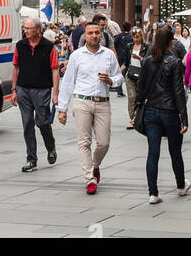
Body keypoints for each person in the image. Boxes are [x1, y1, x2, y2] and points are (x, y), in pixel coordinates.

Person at [57, 17, 123, 194]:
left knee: (103, 143)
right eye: (90, 33)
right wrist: (62, 109)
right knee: (84, 142)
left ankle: (95, 165)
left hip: (102, 102)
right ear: (84, 36)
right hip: (82, 101)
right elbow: (68, 82)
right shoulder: (77, 56)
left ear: (101, 35)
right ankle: (89, 179)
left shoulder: (108, 55)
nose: (94, 36)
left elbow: (119, 77)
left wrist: (110, 80)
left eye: (97, 33)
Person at [135, 25, 190, 204]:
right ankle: (181, 186)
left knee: (153, 152)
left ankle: (153, 193)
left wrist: (136, 109)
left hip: (150, 111)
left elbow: (140, 88)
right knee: (175, 151)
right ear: (170, 42)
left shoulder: (146, 61)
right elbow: (178, 92)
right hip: (170, 112)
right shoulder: (174, 62)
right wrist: (184, 116)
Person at [11, 16, 59, 172]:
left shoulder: (49, 47)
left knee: (43, 122)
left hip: (42, 90)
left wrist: (55, 93)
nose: (25, 31)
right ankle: (31, 159)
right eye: (24, 28)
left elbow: (55, 70)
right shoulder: (20, 45)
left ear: (38, 30)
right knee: (27, 124)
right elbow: (16, 68)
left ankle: (50, 147)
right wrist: (13, 90)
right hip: (23, 89)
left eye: (28, 28)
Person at [124, 27, 150, 128]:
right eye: (134, 37)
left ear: (141, 37)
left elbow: (148, 61)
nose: (136, 39)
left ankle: (140, 118)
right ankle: (132, 119)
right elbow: (126, 61)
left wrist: (139, 57)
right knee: (132, 97)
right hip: (130, 74)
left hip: (142, 75)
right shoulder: (129, 46)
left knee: (142, 98)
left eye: (138, 37)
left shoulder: (147, 46)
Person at [114, 22, 133, 97]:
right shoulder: (130, 36)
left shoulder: (119, 36)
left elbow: (115, 44)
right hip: (128, 56)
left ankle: (119, 90)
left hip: (119, 55)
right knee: (128, 72)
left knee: (119, 72)